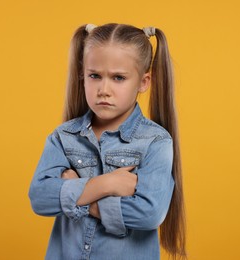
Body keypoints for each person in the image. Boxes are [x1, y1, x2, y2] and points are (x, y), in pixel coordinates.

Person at [29, 23, 186, 260]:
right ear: (82, 76)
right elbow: (40, 197)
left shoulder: (155, 141)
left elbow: (148, 213)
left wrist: (80, 195)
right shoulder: (64, 137)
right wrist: (106, 184)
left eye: (118, 78)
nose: (104, 89)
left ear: (143, 82)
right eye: (94, 76)